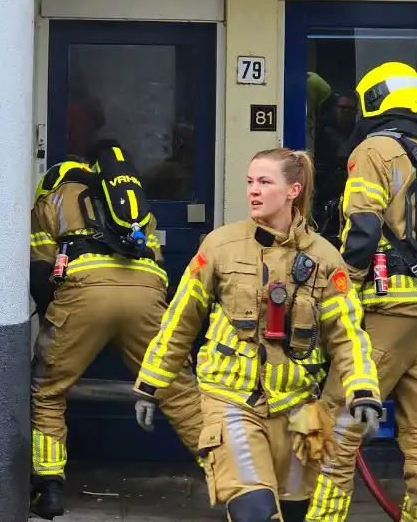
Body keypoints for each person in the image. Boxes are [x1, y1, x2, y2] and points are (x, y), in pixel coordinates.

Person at [131, 148, 382, 522]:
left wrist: (363, 390)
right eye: (250, 182)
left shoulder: (326, 258)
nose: (253, 191)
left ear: (293, 190)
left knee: (296, 512)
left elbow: (347, 334)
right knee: (254, 510)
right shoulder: (220, 246)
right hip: (231, 400)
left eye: (265, 182)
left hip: (300, 410)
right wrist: (150, 383)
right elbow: (180, 319)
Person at [28, 140, 205, 520]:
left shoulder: (51, 202)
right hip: (146, 292)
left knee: (47, 390)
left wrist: (60, 327)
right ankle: (235, 484)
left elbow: (41, 275)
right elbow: (156, 263)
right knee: (180, 392)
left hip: (83, 294)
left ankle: (49, 488)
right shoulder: (131, 206)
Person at [307, 62, 417, 521]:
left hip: (384, 310)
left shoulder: (374, 151)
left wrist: (341, 288)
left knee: (336, 424)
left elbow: (363, 228)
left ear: (374, 101)